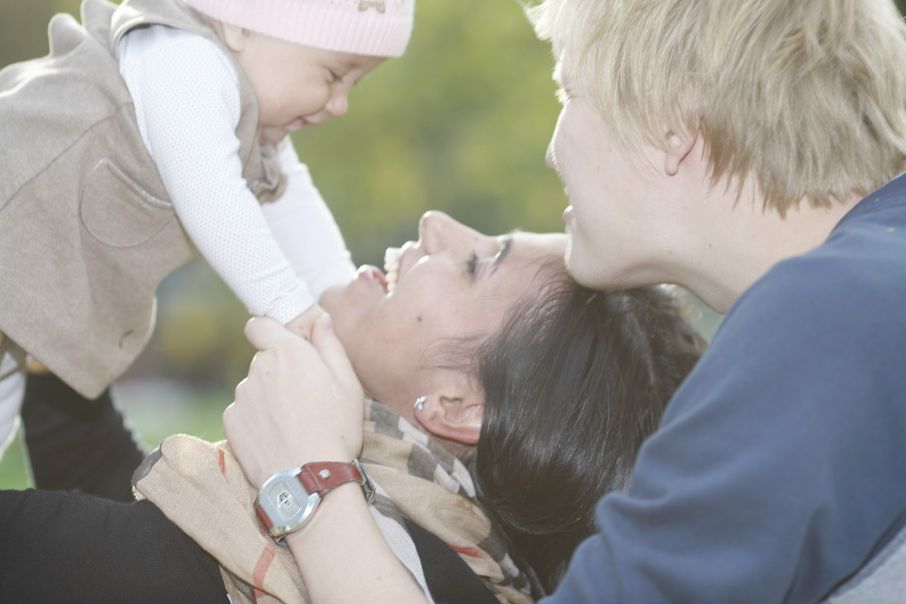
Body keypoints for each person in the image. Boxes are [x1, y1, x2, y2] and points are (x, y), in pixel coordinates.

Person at [224, 0, 906, 602]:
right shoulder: (869, 295)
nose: (553, 152)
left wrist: (307, 476)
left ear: (672, 123)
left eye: (570, 90)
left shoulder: (824, 325)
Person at [0, 212, 702, 603]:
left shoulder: (383, 561)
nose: (437, 224)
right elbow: (118, 511)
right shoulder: (435, 551)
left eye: (475, 263)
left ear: (457, 405)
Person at [0, 0, 414, 457]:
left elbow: (292, 205)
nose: (340, 105)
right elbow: (211, 193)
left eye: (355, 84)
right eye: (334, 76)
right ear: (241, 25)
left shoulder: (247, 118)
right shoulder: (180, 56)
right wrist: (293, 312)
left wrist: (334, 295)